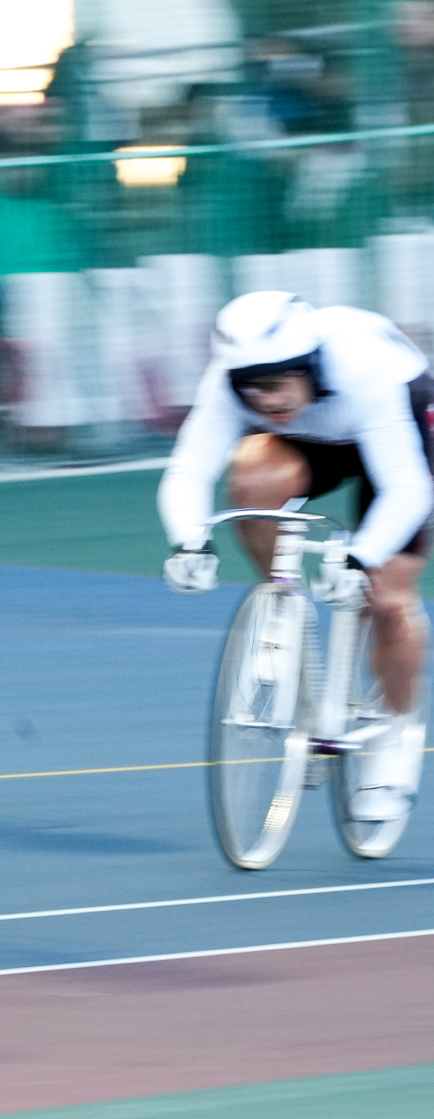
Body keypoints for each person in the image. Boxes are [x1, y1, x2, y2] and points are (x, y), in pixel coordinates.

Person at [159, 290, 434, 848]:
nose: (266, 398)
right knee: (253, 480)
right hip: (315, 440)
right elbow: (189, 468)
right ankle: (286, 605)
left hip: (399, 433)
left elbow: (408, 488)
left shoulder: (364, 370)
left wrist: (362, 559)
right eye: (251, 386)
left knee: (385, 597)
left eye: (280, 381)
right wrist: (188, 543)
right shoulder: (231, 384)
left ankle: (394, 733)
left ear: (311, 366)